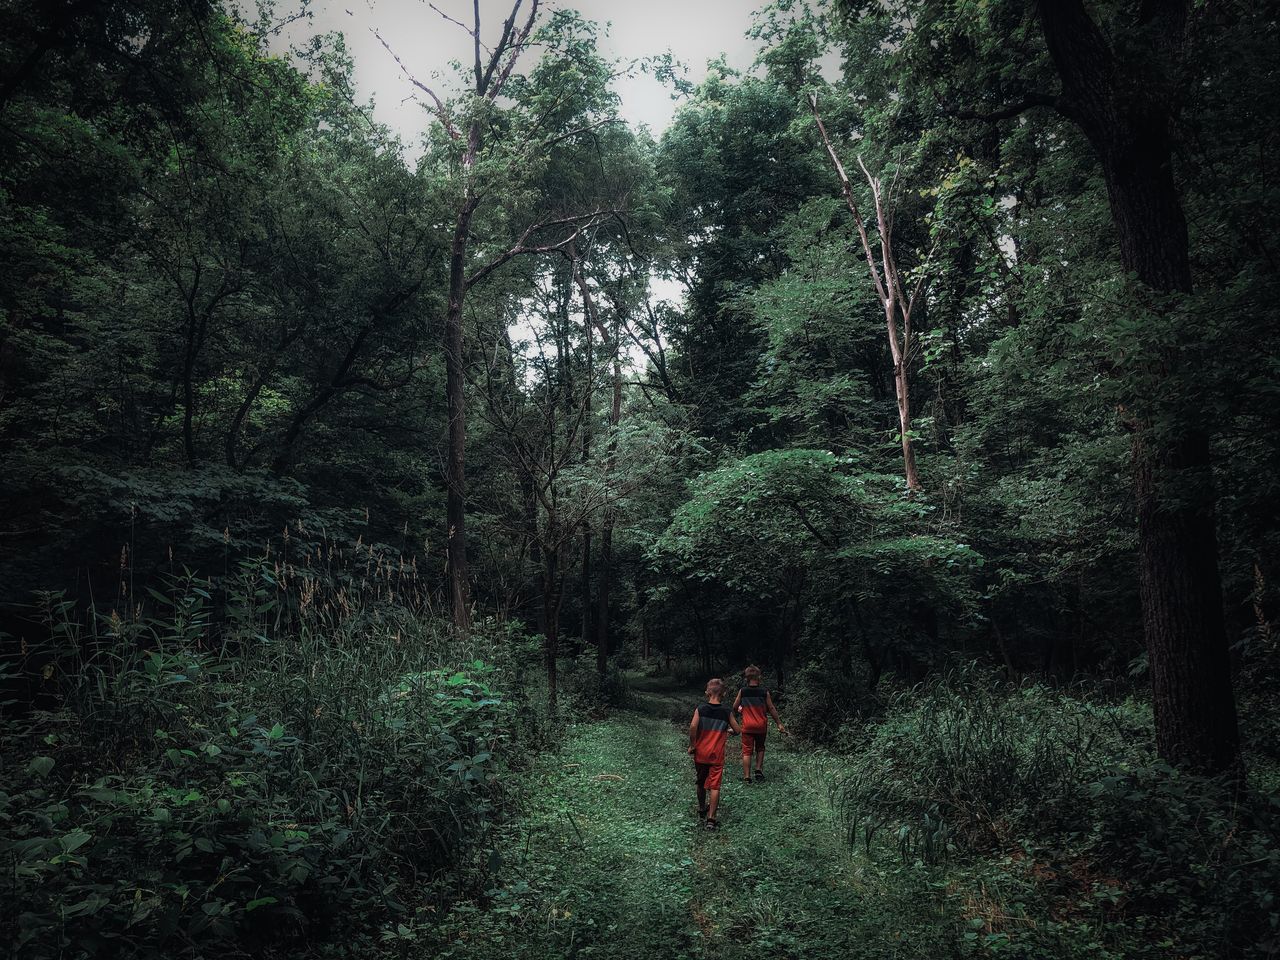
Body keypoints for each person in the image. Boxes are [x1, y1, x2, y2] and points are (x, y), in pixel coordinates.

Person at [688, 677, 741, 831]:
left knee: (700, 782)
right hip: (716, 755)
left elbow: (692, 727)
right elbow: (738, 730)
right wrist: (728, 730)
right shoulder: (726, 711)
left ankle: (701, 807)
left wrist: (693, 745)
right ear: (723, 693)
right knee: (715, 786)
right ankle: (711, 819)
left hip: (701, 753)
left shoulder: (701, 709)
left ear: (707, 692)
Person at [731, 665, 785, 782]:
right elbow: (771, 708)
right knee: (760, 748)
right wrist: (779, 724)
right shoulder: (764, 692)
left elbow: (735, 707)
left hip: (747, 726)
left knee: (747, 751)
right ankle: (758, 770)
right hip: (761, 726)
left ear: (747, 678)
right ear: (759, 677)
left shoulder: (743, 691)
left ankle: (746, 776)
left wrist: (742, 710)